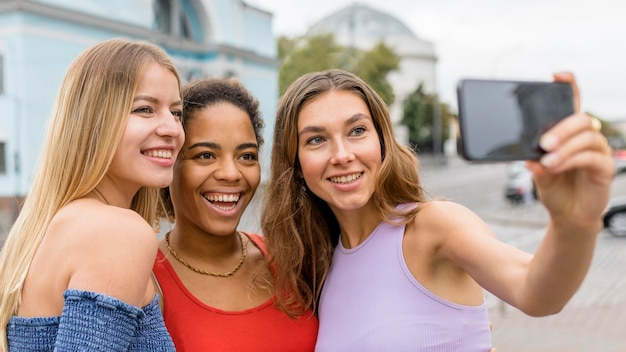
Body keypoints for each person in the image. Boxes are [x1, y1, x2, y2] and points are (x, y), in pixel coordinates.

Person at [261, 69, 614, 351]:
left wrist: (574, 225)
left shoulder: (432, 225)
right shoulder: (323, 264)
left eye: (357, 130)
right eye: (316, 139)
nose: (341, 154)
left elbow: (536, 292)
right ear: (295, 160)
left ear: (382, 141)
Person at [0, 38, 184, 350]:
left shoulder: (49, 229)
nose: (172, 128)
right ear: (94, 121)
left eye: (177, 112)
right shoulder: (116, 232)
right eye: (144, 109)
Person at [153, 77, 318, 351]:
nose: (231, 173)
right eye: (205, 155)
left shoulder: (292, 261)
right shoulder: (146, 282)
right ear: (169, 164)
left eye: (246, 156)